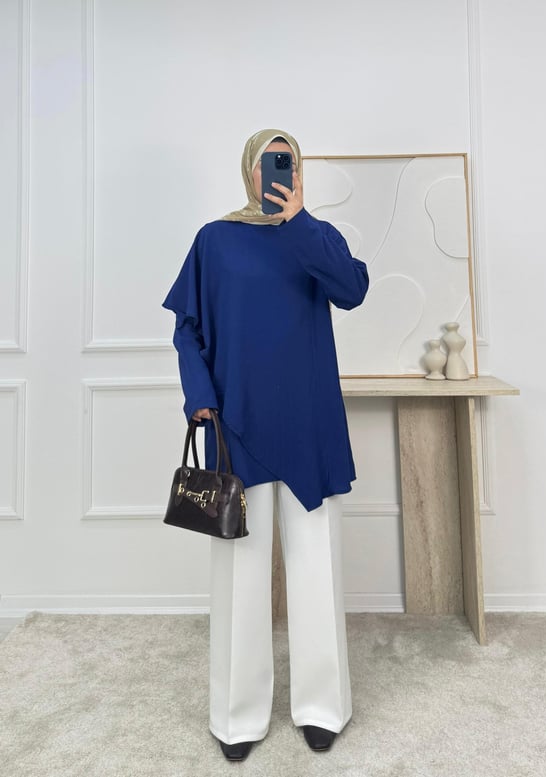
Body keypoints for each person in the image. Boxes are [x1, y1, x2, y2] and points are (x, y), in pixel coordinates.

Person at [162, 129, 369, 762]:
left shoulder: (317, 236)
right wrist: (200, 397)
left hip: (308, 424)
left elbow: (352, 290)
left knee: (317, 569)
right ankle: (237, 718)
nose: (280, 172)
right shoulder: (215, 240)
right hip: (237, 425)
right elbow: (188, 329)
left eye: (290, 162)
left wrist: (299, 220)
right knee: (239, 577)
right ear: (249, 170)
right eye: (269, 162)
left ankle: (323, 708)